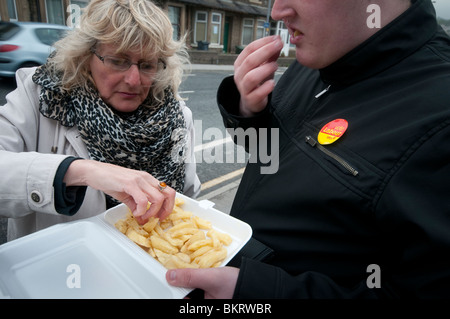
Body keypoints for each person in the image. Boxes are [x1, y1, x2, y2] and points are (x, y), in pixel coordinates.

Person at [166, 0, 450, 298]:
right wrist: (249, 114)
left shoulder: (440, 115)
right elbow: (274, 158)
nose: (277, 11)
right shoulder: (320, 54)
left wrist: (257, 293)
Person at [0, 0, 200, 242]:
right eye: (118, 60)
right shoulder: (40, 95)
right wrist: (80, 171)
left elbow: (188, 197)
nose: (134, 80)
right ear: (87, 56)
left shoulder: (177, 117)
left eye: (147, 65)